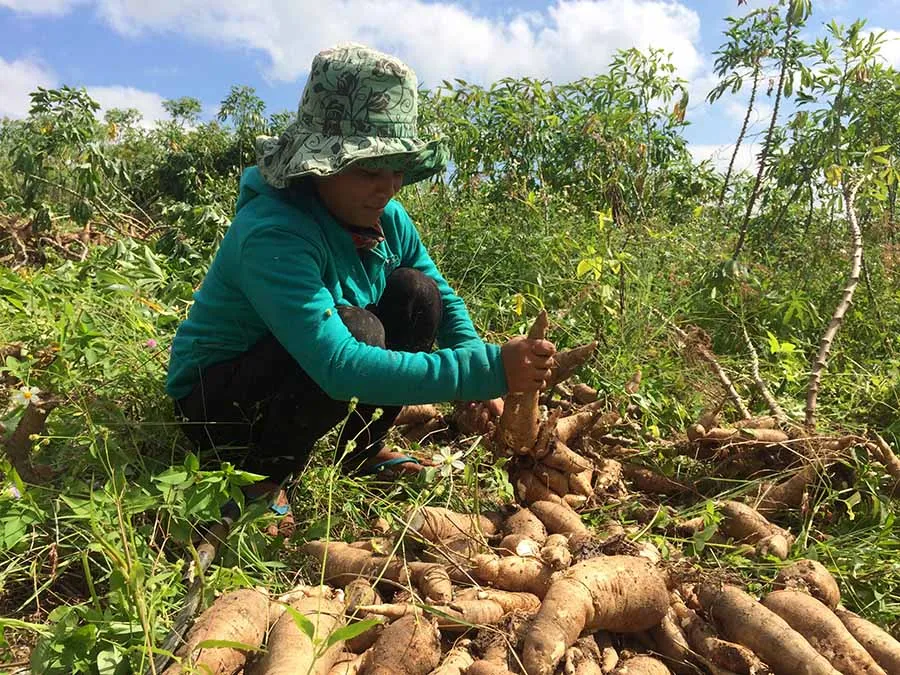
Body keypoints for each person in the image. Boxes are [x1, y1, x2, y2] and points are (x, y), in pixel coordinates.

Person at [165, 43, 556, 520]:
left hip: (299, 370)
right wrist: (485, 370)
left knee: (418, 293)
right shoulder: (273, 232)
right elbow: (339, 365)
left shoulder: (385, 218)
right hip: (217, 401)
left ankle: (362, 452)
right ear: (320, 165)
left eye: (397, 170)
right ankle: (264, 477)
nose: (387, 188)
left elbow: (442, 297)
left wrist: (477, 364)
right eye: (369, 170)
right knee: (359, 330)